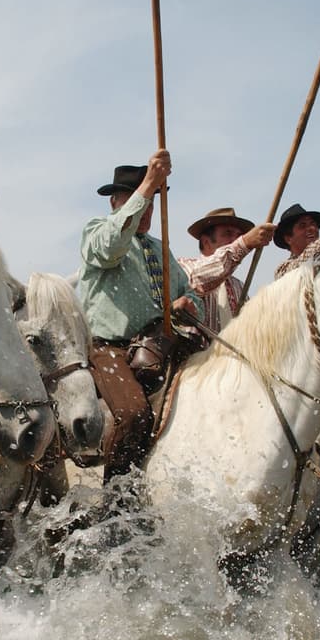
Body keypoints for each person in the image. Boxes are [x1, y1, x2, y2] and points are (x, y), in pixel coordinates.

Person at [76, 152, 200, 480]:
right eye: (138, 201)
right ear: (116, 203)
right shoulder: (96, 232)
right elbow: (111, 245)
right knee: (134, 415)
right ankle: (117, 499)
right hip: (107, 349)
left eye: (150, 202)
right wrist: (149, 185)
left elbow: (189, 292)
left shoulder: (161, 249)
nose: (146, 209)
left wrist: (187, 303)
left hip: (159, 345)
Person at [178, 207, 275, 333]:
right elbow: (198, 280)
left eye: (239, 236)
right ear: (206, 242)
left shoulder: (240, 287)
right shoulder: (184, 267)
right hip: (194, 351)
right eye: (228, 233)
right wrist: (245, 243)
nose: (235, 240)